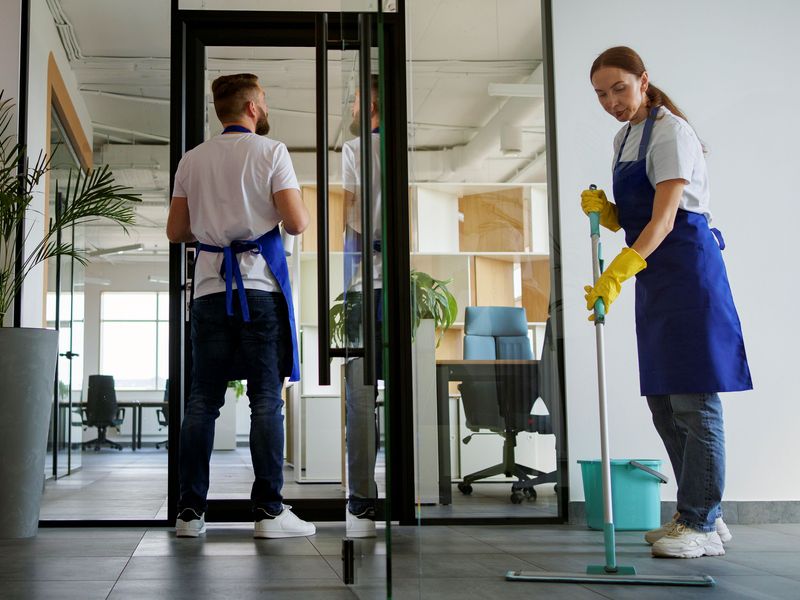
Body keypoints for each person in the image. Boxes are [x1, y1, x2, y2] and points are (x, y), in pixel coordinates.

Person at [582, 47, 752, 559]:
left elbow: (666, 218)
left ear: (643, 81)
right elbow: (640, 214)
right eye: (601, 94)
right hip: (655, 274)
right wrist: (610, 214)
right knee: (663, 403)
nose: (612, 101)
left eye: (619, 89)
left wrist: (618, 271)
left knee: (695, 402)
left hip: (688, 271)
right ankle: (697, 513)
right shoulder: (624, 136)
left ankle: (701, 522)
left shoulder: (670, 130)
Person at [166, 73, 315, 539]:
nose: (265, 106)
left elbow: (175, 232)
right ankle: (269, 513)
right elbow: (296, 223)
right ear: (252, 107)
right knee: (266, 400)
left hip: (210, 291)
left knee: (202, 402)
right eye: (264, 99)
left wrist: (216, 228)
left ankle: (190, 513)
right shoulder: (272, 153)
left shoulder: (192, 159)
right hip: (259, 291)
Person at [341, 75, 383, 538]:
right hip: (395, 284)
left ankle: (362, 498)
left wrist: (345, 276)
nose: (350, 107)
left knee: (359, 396)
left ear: (371, 104)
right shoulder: (400, 148)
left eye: (354, 100)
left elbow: (350, 217)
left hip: (362, 285)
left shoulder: (355, 151)